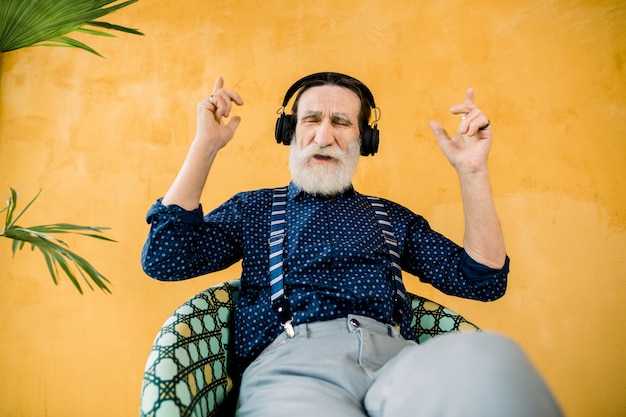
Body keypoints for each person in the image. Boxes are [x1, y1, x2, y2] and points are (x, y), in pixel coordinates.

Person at [142, 72, 563, 416]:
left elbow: (483, 281)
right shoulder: (254, 209)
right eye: (311, 120)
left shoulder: (391, 217)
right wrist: (205, 145)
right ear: (289, 132)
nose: (325, 136)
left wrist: (472, 172)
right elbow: (165, 258)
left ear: (364, 139)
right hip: (295, 370)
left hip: (401, 363)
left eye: (342, 122)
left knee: (495, 359)